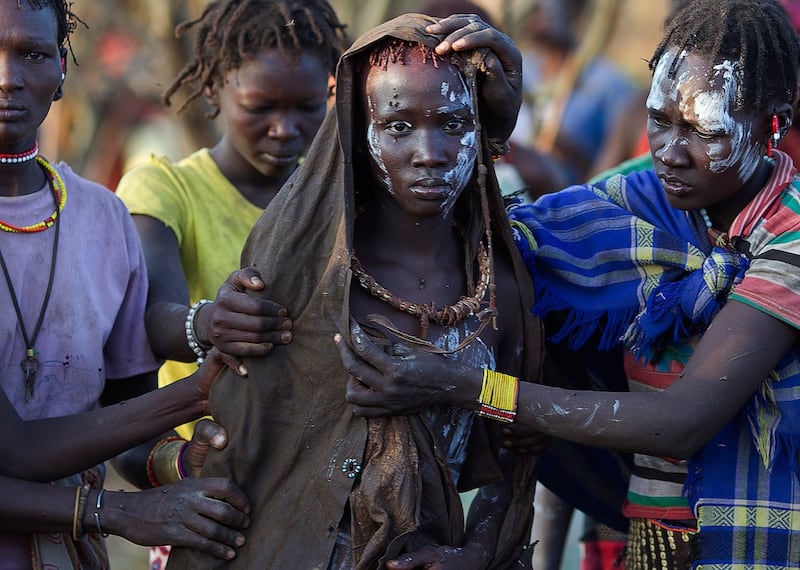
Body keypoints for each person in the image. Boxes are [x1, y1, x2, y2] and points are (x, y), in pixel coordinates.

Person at [338, 0, 800, 567]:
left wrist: (468, 385)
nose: (671, 153)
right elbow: (480, 241)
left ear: (775, 119)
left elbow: (682, 421)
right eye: (659, 121)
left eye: (705, 131)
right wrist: (493, 125)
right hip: (649, 541)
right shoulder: (632, 200)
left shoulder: (791, 239)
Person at [166, 12, 543, 569]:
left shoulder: (499, 286)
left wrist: (477, 551)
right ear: (355, 131)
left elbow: (518, 454)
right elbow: (249, 445)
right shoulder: (303, 273)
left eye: (454, 124)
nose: (430, 152)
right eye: (397, 126)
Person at [0, 1, 251, 567]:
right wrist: (115, 511)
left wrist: (185, 465)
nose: (6, 79)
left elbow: (125, 421)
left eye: (33, 53)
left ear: (62, 69)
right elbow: (15, 452)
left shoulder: (103, 219)